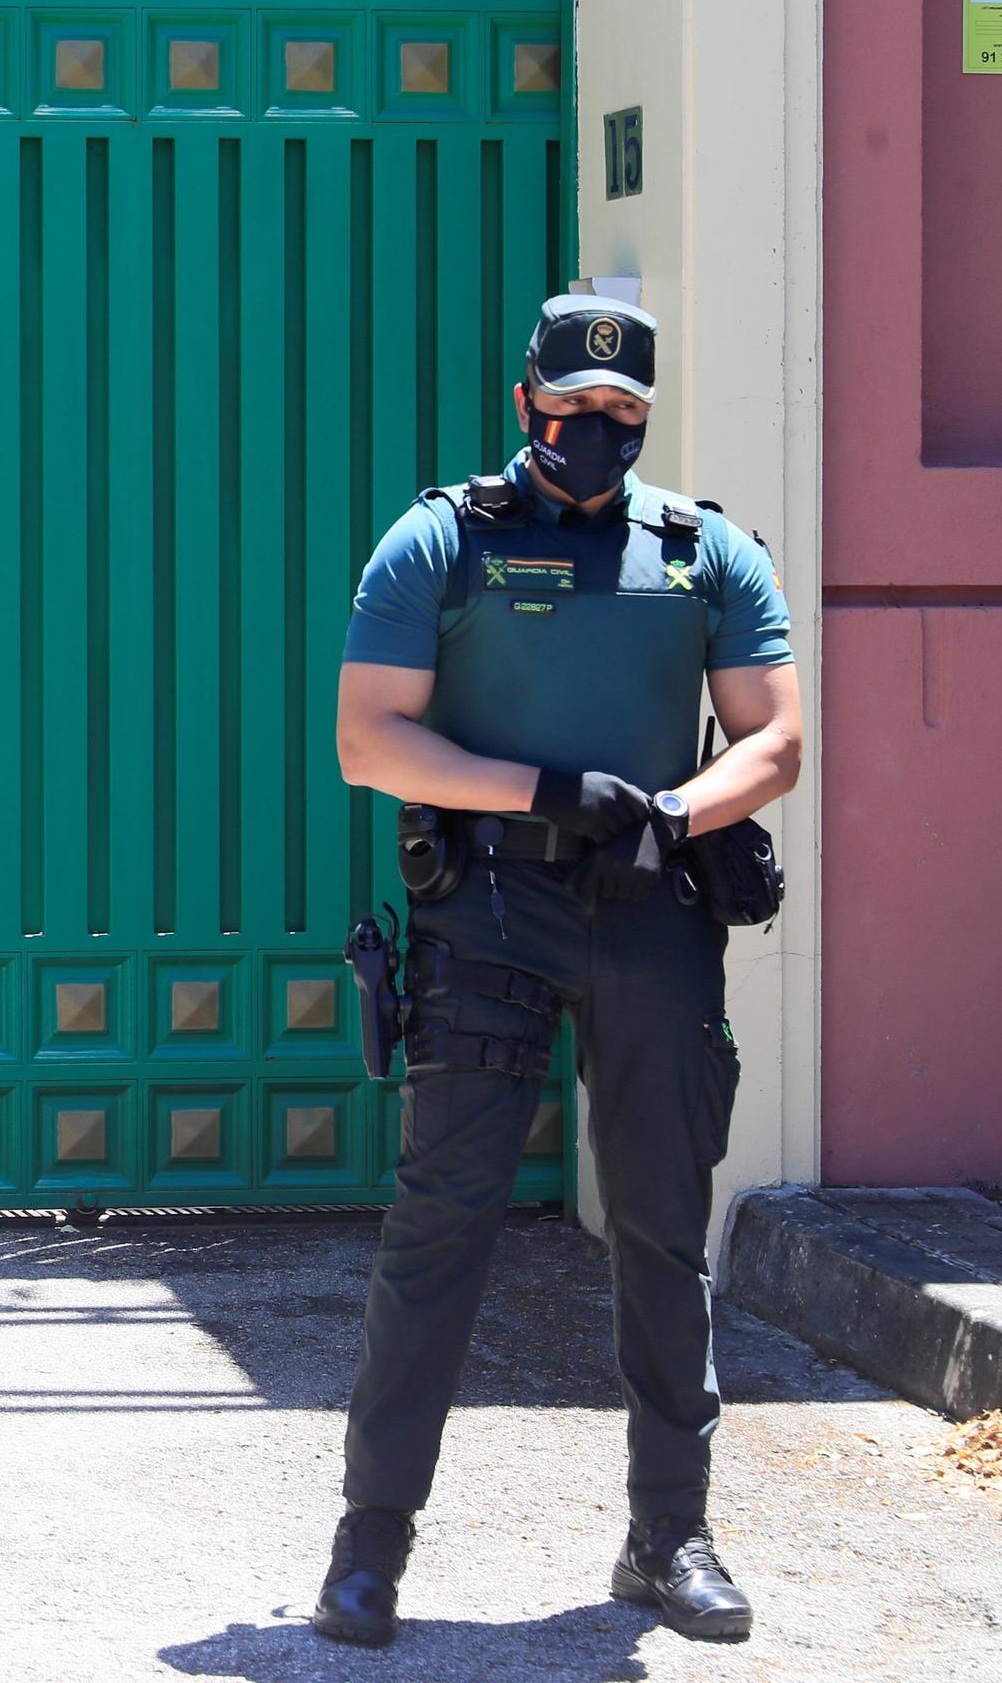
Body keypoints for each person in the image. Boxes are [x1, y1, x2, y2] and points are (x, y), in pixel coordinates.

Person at [312, 295, 803, 1649]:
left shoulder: (707, 554)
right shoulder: (440, 542)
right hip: (487, 912)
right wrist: (546, 789)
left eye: (620, 414)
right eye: (572, 407)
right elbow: (371, 740)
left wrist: (671, 817)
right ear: (527, 398)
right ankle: (371, 1549)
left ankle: (670, 1536)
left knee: (658, 1224)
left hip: (652, 909)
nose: (593, 432)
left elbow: (777, 742)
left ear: (645, 417)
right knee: (441, 1226)